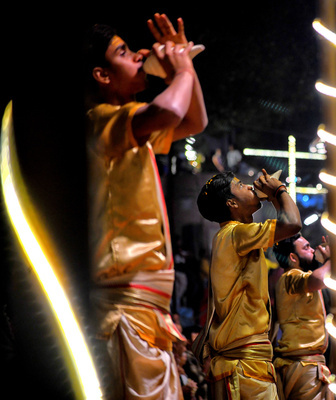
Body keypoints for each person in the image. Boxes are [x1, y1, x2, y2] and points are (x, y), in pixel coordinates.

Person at [85, 12, 208, 400]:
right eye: (124, 52)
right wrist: (183, 69)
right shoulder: (99, 121)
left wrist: (180, 75)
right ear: (102, 75)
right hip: (123, 305)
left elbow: (194, 120)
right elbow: (170, 111)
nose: (139, 54)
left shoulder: (136, 129)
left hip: (147, 305)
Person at [194, 169, 301, 399]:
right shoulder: (235, 234)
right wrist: (278, 191)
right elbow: (292, 224)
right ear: (232, 203)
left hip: (246, 364)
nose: (251, 187)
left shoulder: (233, 235)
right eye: (241, 185)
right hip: (243, 365)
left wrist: (273, 197)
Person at [272, 234, 334, 400]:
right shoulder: (289, 277)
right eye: (306, 247)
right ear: (293, 257)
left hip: (306, 365)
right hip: (304, 366)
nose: (313, 250)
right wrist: (331, 259)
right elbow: (319, 278)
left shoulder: (296, 278)